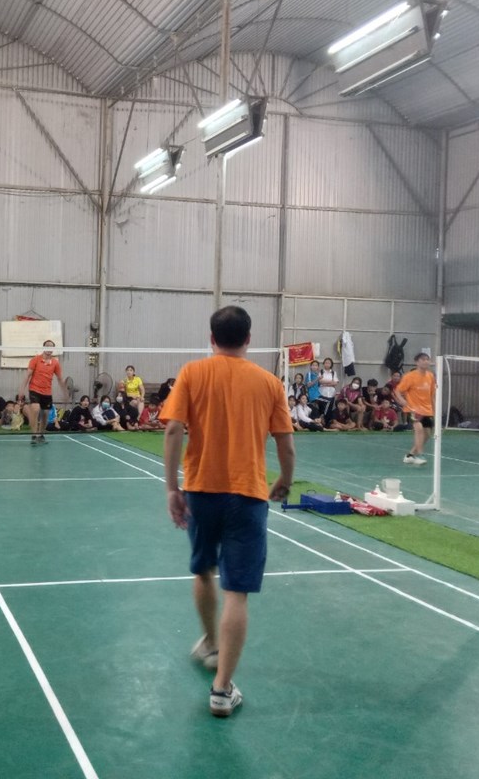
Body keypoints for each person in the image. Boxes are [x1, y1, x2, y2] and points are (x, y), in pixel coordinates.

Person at [162, 305, 294, 718]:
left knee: (203, 569)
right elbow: (285, 443)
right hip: (248, 495)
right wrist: (286, 478)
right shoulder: (270, 383)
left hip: (201, 491)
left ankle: (210, 643)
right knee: (237, 591)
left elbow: (173, 429)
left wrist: (171, 488)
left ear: (212, 338)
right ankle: (221, 691)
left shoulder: (192, 373)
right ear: (249, 338)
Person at [18, 340, 68, 446]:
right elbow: (27, 375)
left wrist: (65, 393)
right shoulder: (35, 360)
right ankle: (34, 435)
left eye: (51, 347)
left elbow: (60, 379)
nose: (49, 348)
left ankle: (41, 435)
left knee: (45, 415)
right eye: (47, 346)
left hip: (47, 392)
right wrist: (21, 390)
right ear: (44, 347)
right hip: (34, 389)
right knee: (35, 409)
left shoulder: (55, 363)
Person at [394, 353, 437, 466]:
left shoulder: (430, 376)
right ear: (417, 362)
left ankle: (410, 455)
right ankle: (420, 455)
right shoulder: (410, 376)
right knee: (419, 429)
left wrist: (435, 410)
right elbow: (398, 391)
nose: (426, 361)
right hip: (413, 409)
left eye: (427, 359)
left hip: (427, 410)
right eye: (423, 359)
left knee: (427, 434)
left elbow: (432, 395)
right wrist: (402, 400)